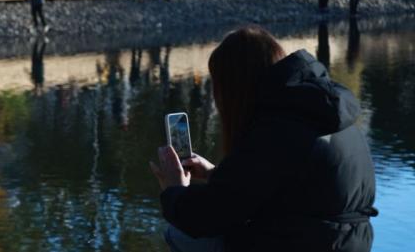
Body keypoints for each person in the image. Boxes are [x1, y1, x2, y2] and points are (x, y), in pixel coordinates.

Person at [150, 26, 377, 252]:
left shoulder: (277, 129)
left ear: (235, 87)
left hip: (304, 243)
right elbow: (281, 184)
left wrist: (175, 190)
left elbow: (208, 217)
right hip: (345, 243)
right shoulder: (321, 111)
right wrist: (215, 174)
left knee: (180, 235)